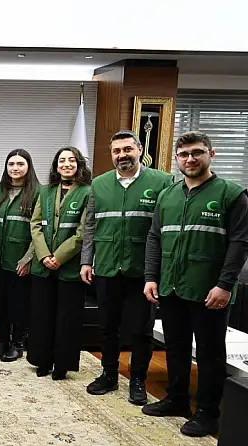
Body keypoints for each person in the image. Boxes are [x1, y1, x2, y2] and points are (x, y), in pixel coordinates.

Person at [143, 131, 248, 437]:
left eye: (197, 152)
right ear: (176, 159)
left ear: (210, 155)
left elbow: (240, 242)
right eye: (184, 154)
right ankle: (176, 399)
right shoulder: (168, 195)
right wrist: (151, 277)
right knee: (174, 348)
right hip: (172, 287)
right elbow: (154, 238)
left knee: (209, 354)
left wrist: (225, 285)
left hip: (210, 291)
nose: (190, 159)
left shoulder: (231, 194)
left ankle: (207, 412)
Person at [81, 130, 174, 405]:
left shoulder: (162, 181)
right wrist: (87, 260)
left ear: (139, 149)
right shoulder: (98, 184)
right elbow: (90, 225)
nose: (122, 154)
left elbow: (163, 229)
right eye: (116, 150)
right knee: (107, 326)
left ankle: (137, 380)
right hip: (108, 267)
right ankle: (108, 374)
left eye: (127, 149)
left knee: (140, 330)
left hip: (143, 272)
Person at [27, 146, 91, 380]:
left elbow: (84, 231)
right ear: (56, 166)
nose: (66, 164)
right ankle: (41, 360)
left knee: (67, 318)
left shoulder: (87, 192)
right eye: (61, 161)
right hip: (43, 266)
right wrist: (44, 255)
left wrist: (60, 257)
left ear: (79, 164)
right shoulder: (45, 191)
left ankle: (62, 364)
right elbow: (35, 224)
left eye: (71, 160)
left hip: (70, 268)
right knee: (41, 315)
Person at [0, 149, 40, 362]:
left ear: (28, 167)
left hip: (20, 259)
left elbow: (39, 231)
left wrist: (28, 259)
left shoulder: (37, 192)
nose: (15, 168)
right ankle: (2, 342)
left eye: (20, 164)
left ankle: (17, 343)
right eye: (11, 164)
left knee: (18, 303)